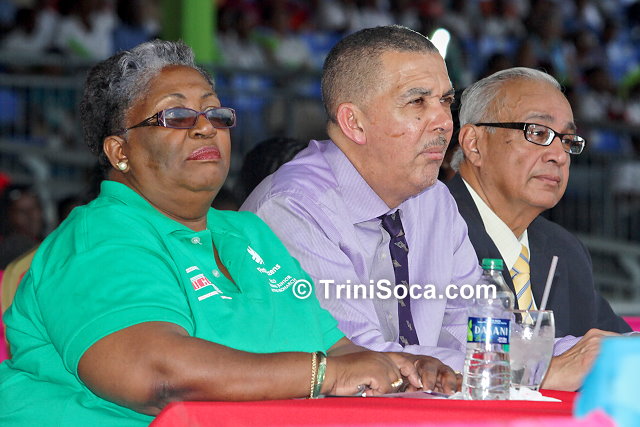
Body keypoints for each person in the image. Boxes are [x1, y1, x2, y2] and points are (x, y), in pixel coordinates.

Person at [0, 40, 457, 426]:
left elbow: (333, 348)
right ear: (120, 151)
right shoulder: (99, 238)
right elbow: (155, 375)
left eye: (215, 114)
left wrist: (399, 366)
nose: (205, 127)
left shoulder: (246, 233)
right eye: (175, 116)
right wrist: (326, 376)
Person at [242, 25, 481, 372]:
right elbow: (362, 360)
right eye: (417, 101)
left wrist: (543, 359)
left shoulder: (434, 201)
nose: (444, 121)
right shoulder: (293, 207)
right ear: (353, 122)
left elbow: (475, 323)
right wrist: (510, 366)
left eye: (445, 101)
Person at [447, 66, 630, 391]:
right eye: (537, 132)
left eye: (567, 140)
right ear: (474, 144)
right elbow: (420, 353)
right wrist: (545, 371)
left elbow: (613, 343)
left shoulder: (563, 249)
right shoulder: (430, 228)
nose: (559, 155)